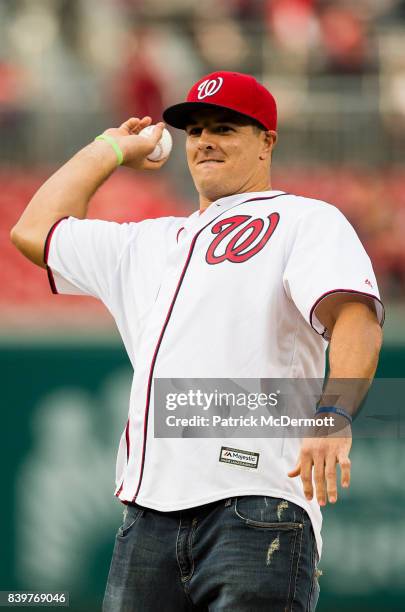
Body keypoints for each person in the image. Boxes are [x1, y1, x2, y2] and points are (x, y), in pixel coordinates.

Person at [11, 71, 384, 611]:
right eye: (196, 130)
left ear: (266, 142)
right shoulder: (146, 243)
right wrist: (111, 148)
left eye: (226, 128)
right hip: (145, 520)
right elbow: (33, 232)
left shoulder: (305, 219)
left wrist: (333, 416)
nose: (206, 140)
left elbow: (355, 318)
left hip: (256, 507)